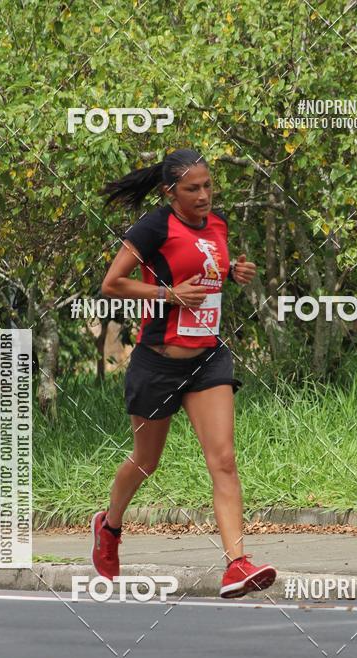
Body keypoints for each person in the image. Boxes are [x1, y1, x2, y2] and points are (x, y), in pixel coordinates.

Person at [91, 148, 277, 599]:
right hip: (158, 362)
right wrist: (168, 294)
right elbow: (111, 283)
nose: (204, 196)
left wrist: (234, 272)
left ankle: (237, 563)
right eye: (193, 189)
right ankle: (109, 525)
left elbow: (207, 269)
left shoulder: (218, 225)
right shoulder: (155, 226)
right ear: (170, 192)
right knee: (146, 461)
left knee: (224, 459)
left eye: (208, 186)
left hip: (207, 359)